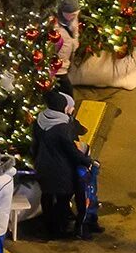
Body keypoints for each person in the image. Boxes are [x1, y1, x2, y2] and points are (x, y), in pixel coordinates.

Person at [31, 92, 91, 239]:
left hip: (42, 165)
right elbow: (70, 150)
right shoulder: (62, 128)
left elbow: (35, 145)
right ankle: (58, 230)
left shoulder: (40, 120)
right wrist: (87, 160)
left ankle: (48, 225)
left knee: (47, 195)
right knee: (63, 198)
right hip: (59, 169)